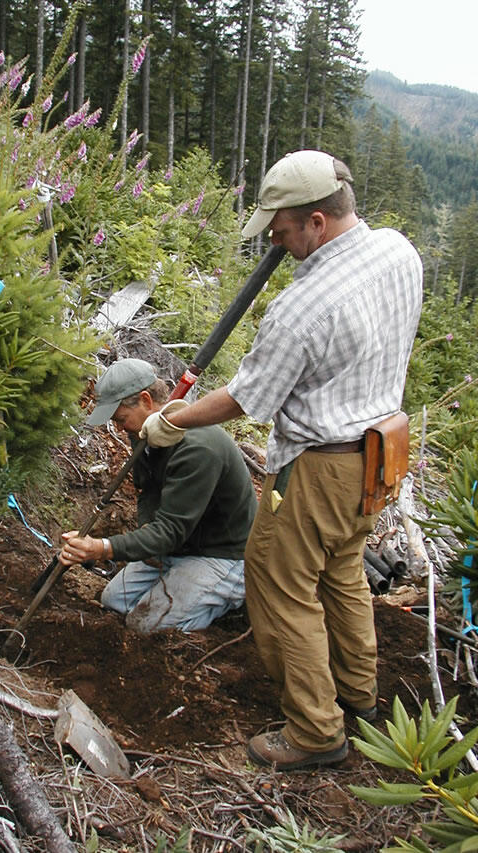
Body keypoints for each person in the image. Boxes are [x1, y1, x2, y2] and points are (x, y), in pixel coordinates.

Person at [140, 150, 423, 770]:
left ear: (317, 221)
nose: (274, 238)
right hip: (378, 459)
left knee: (279, 586)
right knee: (342, 569)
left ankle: (317, 733)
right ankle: (359, 696)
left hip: (319, 467)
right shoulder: (400, 253)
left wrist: (171, 419)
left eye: (281, 227)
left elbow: (248, 398)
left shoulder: (302, 307)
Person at [58, 358, 258, 634]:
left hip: (223, 554)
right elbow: (148, 491)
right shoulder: (145, 433)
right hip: (179, 545)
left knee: (146, 626)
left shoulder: (197, 448)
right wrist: (146, 532)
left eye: (120, 419)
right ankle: (184, 593)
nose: (119, 428)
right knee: (113, 601)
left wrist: (102, 548)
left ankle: (226, 604)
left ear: (145, 400)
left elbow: (171, 530)